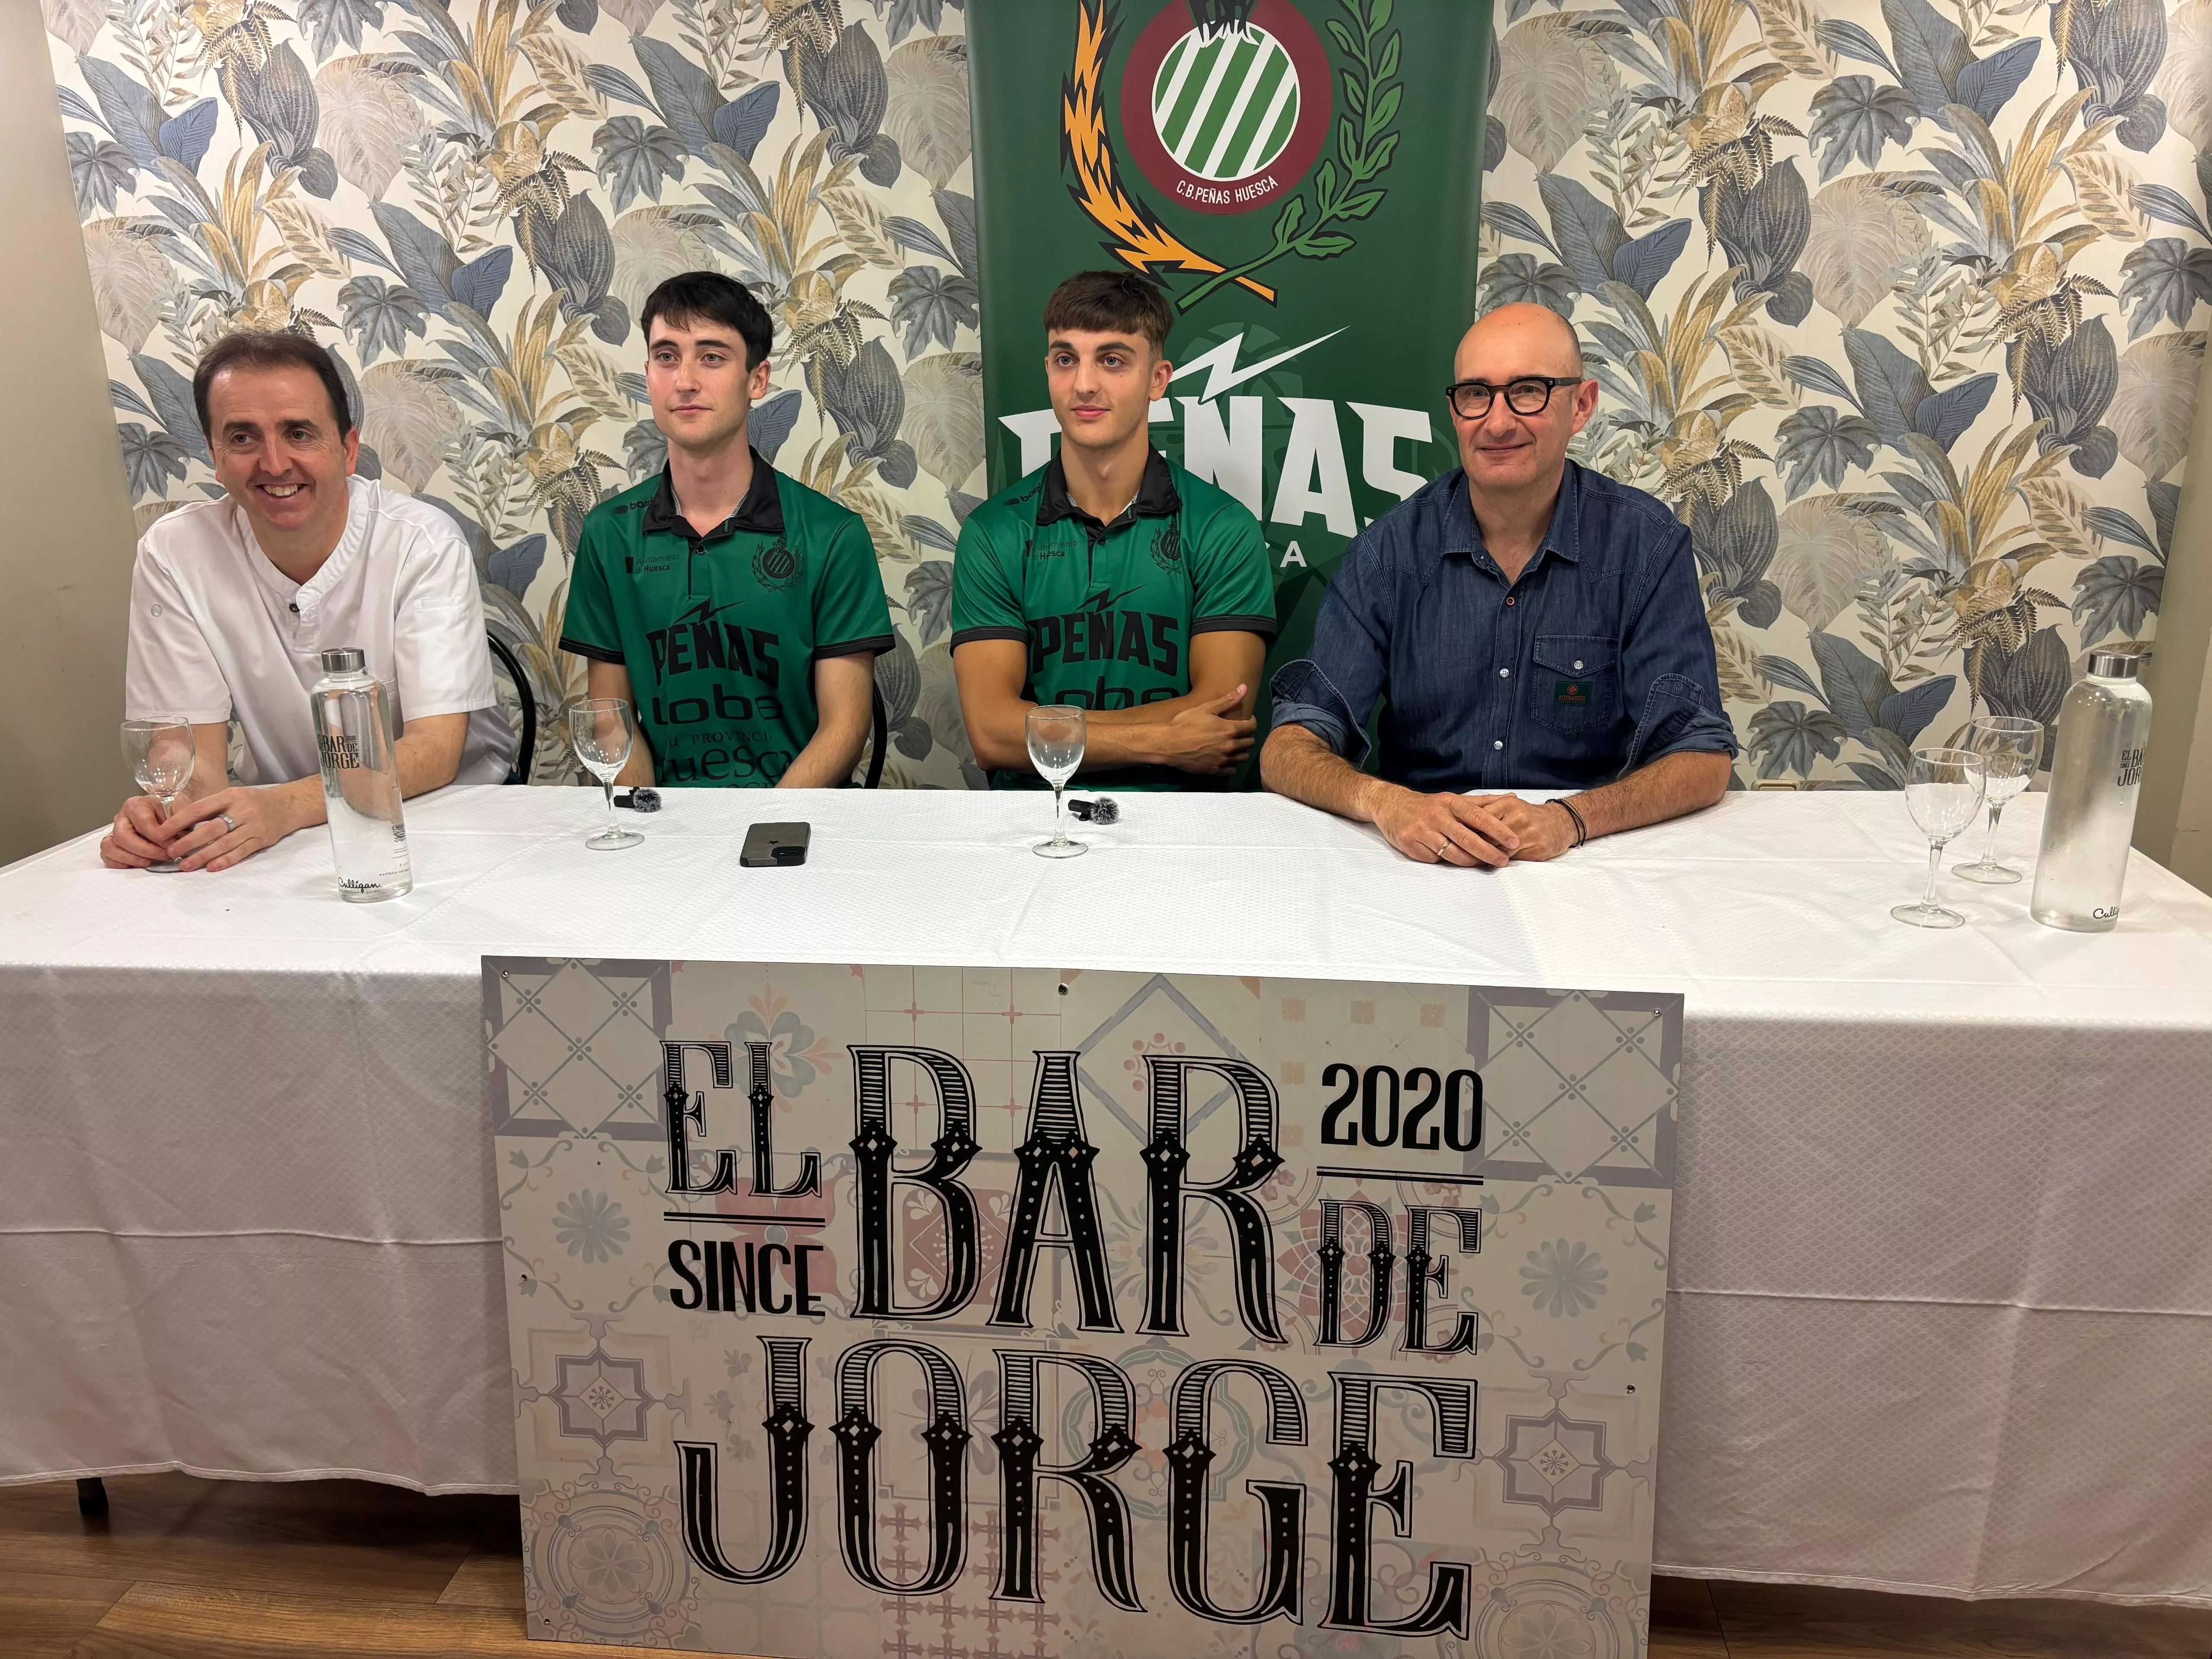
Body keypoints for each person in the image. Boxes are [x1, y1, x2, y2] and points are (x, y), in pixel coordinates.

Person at [1260, 303, 1737, 863]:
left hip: (1588, 858)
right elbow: (1288, 748)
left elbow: (1703, 758)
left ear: (1581, 405)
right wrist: (1387, 802)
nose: (1498, 421)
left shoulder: (1645, 547)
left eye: (1528, 391)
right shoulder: (1390, 552)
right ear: (1454, 409)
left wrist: (1572, 819)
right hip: (1421, 858)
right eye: (1475, 394)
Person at [102, 332, 511, 872]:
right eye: (243, 438)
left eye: (298, 433)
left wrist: (287, 804)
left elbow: (435, 751)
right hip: (280, 839)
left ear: (347, 450)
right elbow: (186, 754)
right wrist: (169, 813)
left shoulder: (421, 542)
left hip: (443, 819)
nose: (274, 464)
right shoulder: (174, 552)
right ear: (215, 457)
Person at [559, 272, 894, 788]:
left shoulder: (832, 535)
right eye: (667, 357)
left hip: (794, 821)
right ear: (648, 374)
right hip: (665, 827)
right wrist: (654, 833)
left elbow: (845, 728)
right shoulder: (609, 534)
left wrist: (763, 830)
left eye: (712, 357)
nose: (685, 380)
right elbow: (610, 720)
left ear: (756, 380)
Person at [950, 270, 1276, 790]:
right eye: (1065, 359)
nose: (1083, 384)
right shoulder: (995, 533)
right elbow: (992, 735)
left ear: (1157, 379)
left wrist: (1040, 728)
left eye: (1112, 360)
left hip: (1184, 832)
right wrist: (1163, 742)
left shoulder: (1222, 528)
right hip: (1038, 827)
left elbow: (1223, 726)